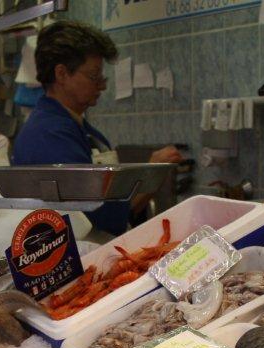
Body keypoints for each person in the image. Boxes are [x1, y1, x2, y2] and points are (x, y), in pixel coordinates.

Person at [12, 21, 183, 235]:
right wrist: (151, 173)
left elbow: (115, 207)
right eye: (94, 76)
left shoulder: (76, 127)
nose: (102, 85)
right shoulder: (48, 135)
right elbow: (99, 217)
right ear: (62, 74)